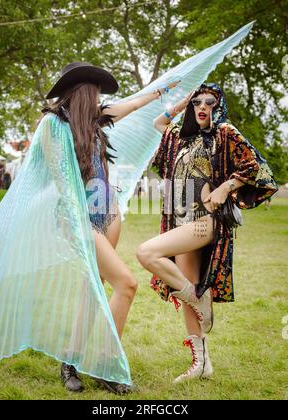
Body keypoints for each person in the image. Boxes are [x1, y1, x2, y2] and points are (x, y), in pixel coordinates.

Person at [43, 62, 178, 394]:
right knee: (127, 284)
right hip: (78, 218)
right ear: (84, 92)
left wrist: (165, 93)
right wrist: (80, 220)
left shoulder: (97, 122)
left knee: (93, 291)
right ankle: (106, 365)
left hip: (109, 215)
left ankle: (70, 362)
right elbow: (62, 182)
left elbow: (132, 105)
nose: (102, 97)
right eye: (97, 91)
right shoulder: (53, 126)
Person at [137, 82, 278, 383]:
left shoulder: (224, 133)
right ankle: (201, 363)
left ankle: (198, 298)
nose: (202, 107)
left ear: (218, 105)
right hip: (180, 221)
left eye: (209, 102)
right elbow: (158, 122)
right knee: (189, 285)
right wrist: (182, 101)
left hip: (205, 222)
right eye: (197, 102)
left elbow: (257, 166)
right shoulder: (180, 138)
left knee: (146, 252)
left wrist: (227, 187)